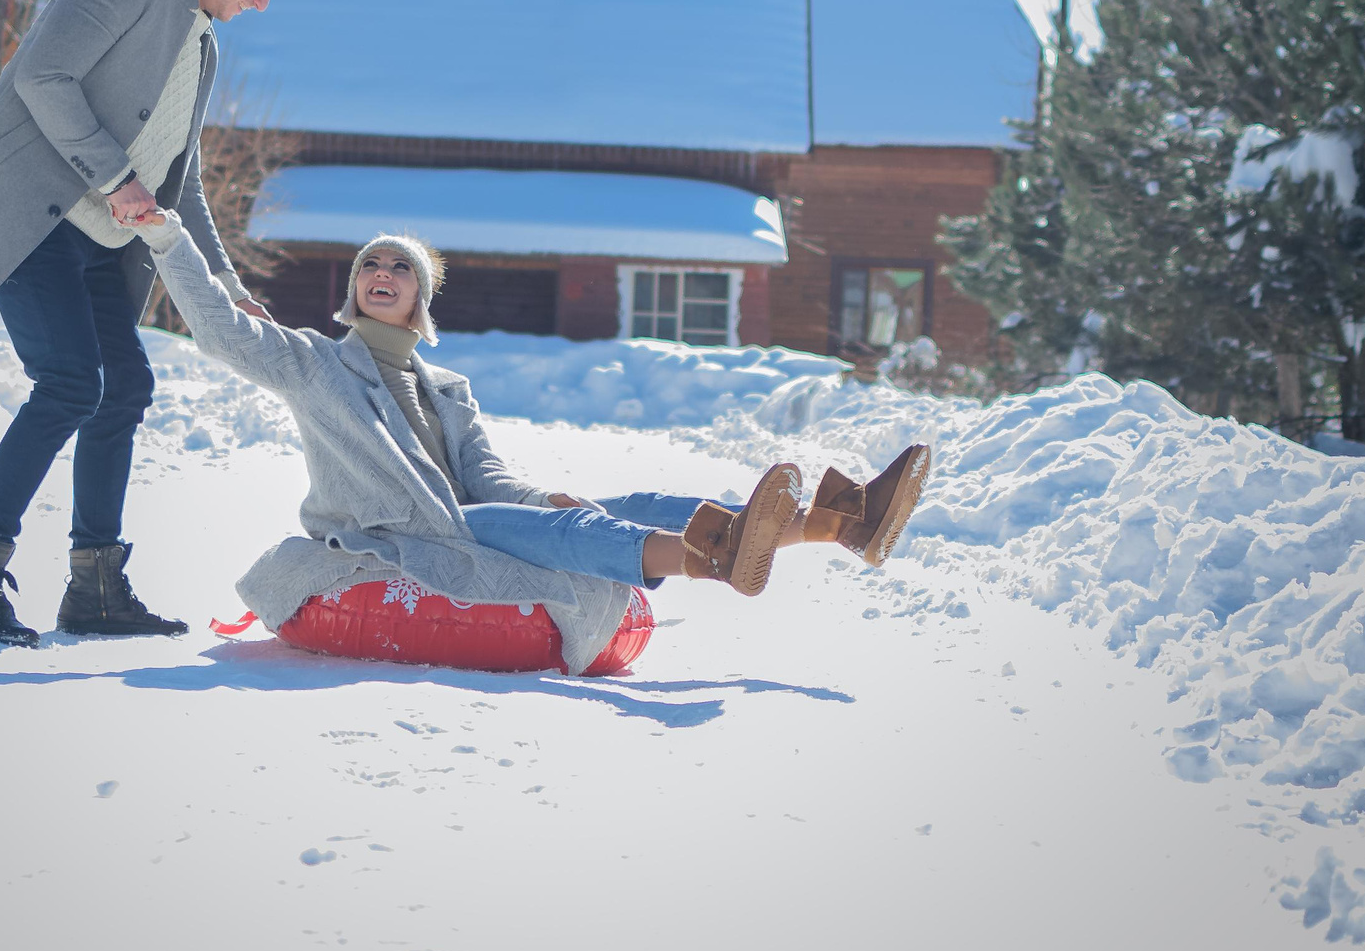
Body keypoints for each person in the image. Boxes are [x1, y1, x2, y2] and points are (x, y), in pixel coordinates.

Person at [127, 215, 933, 670]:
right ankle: (713, 558)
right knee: (571, 530)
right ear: (354, 289)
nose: (382, 270)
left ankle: (841, 522)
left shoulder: (447, 389)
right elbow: (221, 331)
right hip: (403, 533)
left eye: (400, 266)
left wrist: (544, 497)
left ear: (419, 298)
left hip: (470, 517)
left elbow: (487, 476)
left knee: (632, 501)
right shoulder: (315, 364)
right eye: (370, 263)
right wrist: (169, 239)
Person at [0, 0, 308, 646]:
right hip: (35, 216)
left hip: (103, 243)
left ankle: (94, 587)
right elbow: (45, 76)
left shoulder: (203, 45)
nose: (263, 2)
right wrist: (118, 179)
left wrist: (225, 283)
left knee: (123, 388)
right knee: (70, 383)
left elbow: (179, 176)